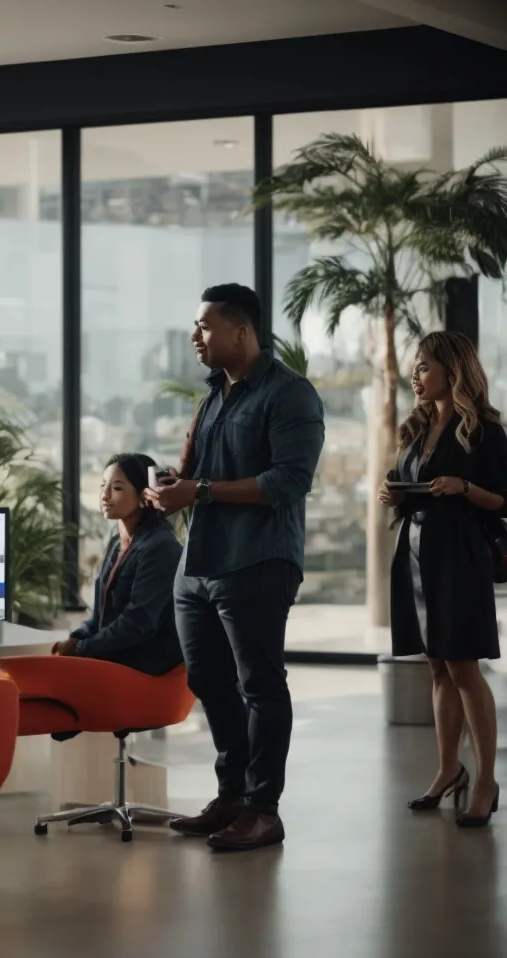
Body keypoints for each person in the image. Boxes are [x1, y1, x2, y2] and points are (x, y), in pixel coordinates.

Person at [147, 283, 325, 853]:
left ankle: (263, 808)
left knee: (260, 686)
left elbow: (287, 483)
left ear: (241, 330)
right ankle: (231, 795)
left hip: (258, 560)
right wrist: (173, 487)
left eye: (205, 326)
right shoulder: (212, 398)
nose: (196, 336)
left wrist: (197, 489)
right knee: (206, 681)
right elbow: (196, 478)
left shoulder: (289, 395)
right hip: (199, 563)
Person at [380, 331, 505, 828]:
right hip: (414, 554)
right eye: (415, 366)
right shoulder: (417, 427)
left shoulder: (485, 431)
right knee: (437, 668)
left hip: (459, 555)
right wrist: (396, 495)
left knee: (464, 669)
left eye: (425, 366)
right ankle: (448, 769)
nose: (416, 375)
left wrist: (465, 487)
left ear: (452, 372)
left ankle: (488, 779)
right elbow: (409, 486)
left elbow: (504, 499)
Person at [49, 453, 183, 675]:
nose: (104, 495)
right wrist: (77, 637)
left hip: (144, 669)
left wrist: (82, 648)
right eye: (103, 485)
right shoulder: (116, 539)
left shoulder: (160, 548)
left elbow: (138, 624)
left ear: (144, 496)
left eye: (117, 488)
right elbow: (100, 615)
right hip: (114, 657)